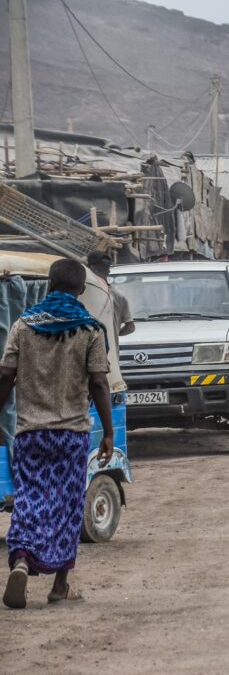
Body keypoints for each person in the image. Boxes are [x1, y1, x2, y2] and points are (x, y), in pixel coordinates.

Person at [1, 259, 114, 609]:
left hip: (30, 433)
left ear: (49, 284)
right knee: (66, 506)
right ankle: (60, 584)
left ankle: (21, 559)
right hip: (71, 435)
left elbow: (5, 376)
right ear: (81, 290)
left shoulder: (23, 325)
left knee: (30, 500)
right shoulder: (90, 330)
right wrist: (109, 432)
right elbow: (98, 382)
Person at [85, 252, 134, 337]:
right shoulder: (119, 296)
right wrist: (112, 334)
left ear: (90, 269)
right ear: (108, 271)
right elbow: (130, 328)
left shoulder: (83, 293)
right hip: (112, 349)